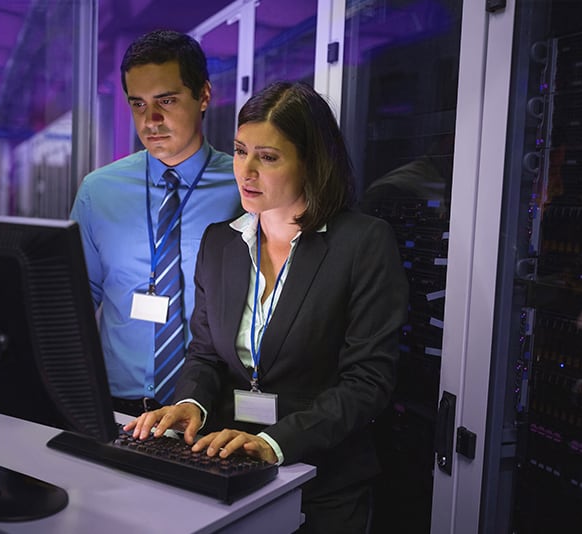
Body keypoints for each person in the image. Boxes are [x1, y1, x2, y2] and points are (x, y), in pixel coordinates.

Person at [125, 81, 409, 533]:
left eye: (268, 157)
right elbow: (205, 355)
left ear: (312, 164)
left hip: (322, 478)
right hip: (227, 468)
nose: (246, 171)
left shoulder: (363, 243)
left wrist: (274, 443)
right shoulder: (221, 243)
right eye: (240, 151)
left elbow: (367, 383)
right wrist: (191, 403)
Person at [70, 30, 241, 416]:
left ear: (204, 96)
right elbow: (75, 302)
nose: (152, 120)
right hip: (117, 406)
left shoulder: (244, 188)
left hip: (209, 409)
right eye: (138, 104)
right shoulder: (99, 191)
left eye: (166, 100)